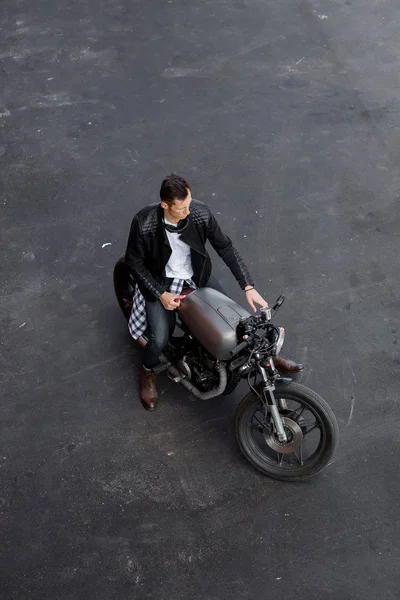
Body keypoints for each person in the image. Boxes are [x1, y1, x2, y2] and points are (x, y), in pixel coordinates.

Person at [125, 174, 303, 411]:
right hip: (161, 282)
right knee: (159, 338)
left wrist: (247, 286)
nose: (188, 212)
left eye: (189, 203)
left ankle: (266, 358)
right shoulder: (144, 222)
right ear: (165, 205)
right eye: (182, 208)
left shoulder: (199, 213)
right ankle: (147, 371)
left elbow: (225, 247)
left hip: (195, 276)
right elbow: (134, 263)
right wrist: (160, 294)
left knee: (237, 320)